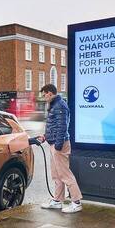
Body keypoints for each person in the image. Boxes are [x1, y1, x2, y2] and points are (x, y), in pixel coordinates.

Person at [36, 84, 83, 213]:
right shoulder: (54, 105)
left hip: (59, 144)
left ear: (50, 93)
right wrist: (46, 136)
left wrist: (57, 145)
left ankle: (76, 202)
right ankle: (57, 201)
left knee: (65, 174)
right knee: (56, 175)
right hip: (54, 143)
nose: (43, 97)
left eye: (44, 94)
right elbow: (54, 126)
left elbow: (62, 127)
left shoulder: (60, 106)